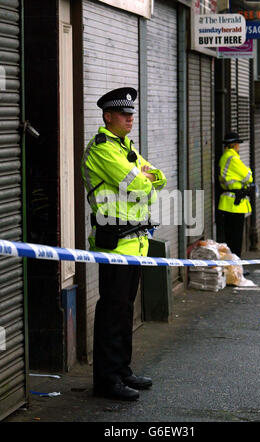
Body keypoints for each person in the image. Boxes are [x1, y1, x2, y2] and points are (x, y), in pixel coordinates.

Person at [81, 87, 167, 401]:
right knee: (111, 311)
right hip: (114, 244)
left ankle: (122, 370)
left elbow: (159, 178)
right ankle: (106, 380)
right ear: (108, 117)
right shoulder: (103, 149)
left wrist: (148, 176)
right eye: (124, 114)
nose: (131, 119)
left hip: (135, 244)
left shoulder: (124, 146)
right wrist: (145, 176)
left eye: (132, 114)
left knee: (125, 309)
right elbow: (143, 185)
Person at [218, 131, 253, 258]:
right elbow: (248, 176)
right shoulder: (232, 159)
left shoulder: (227, 157)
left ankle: (234, 269)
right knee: (235, 240)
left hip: (230, 204)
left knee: (232, 239)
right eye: (238, 144)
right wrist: (248, 171)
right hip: (234, 205)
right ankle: (235, 269)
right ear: (233, 145)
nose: (239, 146)